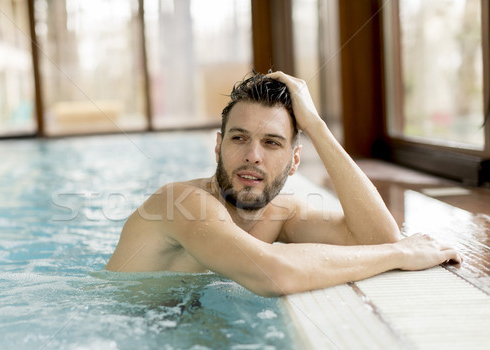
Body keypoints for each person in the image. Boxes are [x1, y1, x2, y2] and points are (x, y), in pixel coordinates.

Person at [105, 71, 461, 297]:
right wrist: (400, 254)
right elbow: (272, 274)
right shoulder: (181, 202)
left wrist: (317, 126)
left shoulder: (281, 214)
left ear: (294, 162)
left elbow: (378, 238)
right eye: (239, 138)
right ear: (218, 145)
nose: (253, 156)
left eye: (272, 143)